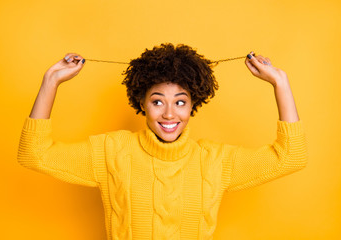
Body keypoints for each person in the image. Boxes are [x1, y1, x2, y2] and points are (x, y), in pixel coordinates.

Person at [17, 43, 308, 239]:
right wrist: (50, 82)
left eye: (180, 102)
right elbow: (34, 154)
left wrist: (280, 83)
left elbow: (291, 156)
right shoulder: (112, 151)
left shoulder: (216, 160)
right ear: (141, 102)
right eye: (158, 101)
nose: (169, 113)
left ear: (193, 104)